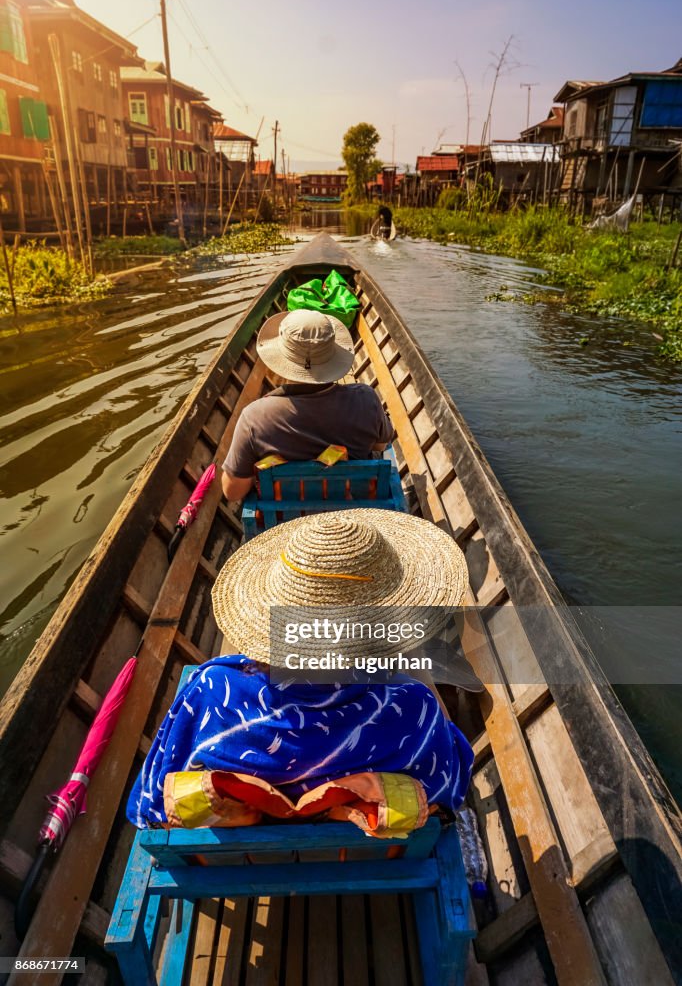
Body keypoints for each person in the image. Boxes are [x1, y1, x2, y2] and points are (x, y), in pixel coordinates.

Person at [127, 509, 476, 828]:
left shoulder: (210, 691)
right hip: (360, 860)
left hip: (243, 861)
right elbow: (449, 789)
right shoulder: (411, 707)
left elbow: (153, 801)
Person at [221, 309, 393, 501]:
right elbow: (381, 444)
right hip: (352, 517)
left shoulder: (254, 417)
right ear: (332, 356)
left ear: (279, 360)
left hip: (285, 524)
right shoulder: (366, 399)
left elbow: (232, 492)